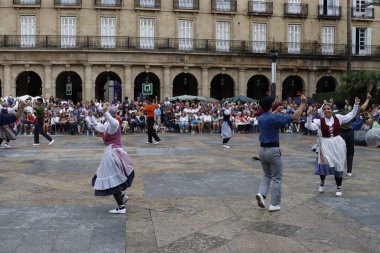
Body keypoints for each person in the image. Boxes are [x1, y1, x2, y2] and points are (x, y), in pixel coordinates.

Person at [255, 95, 307, 212]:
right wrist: (302, 104)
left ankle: (261, 194)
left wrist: (275, 111)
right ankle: (274, 204)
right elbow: (295, 116)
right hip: (273, 150)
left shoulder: (260, 118)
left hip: (262, 150)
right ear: (271, 105)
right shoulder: (275, 117)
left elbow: (268, 117)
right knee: (277, 177)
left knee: (267, 174)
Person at [305, 97, 360, 197]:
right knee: (323, 163)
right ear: (323, 111)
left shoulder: (338, 117)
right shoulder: (320, 121)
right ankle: (322, 182)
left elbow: (350, 115)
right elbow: (309, 126)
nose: (327, 110)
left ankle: (339, 187)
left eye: (328, 108)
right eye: (325, 109)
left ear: (331, 109)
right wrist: (309, 116)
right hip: (325, 144)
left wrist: (356, 105)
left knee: (338, 163)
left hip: (337, 143)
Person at [91, 104, 135, 214]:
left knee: (113, 179)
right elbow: (98, 126)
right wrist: (90, 117)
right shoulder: (108, 125)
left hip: (113, 153)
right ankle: (122, 198)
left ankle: (121, 207)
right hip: (111, 152)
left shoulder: (114, 124)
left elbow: (114, 122)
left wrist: (104, 112)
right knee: (114, 177)